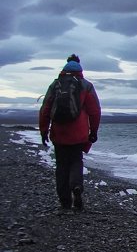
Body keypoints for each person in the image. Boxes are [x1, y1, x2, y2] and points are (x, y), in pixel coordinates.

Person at [39, 54, 102, 211]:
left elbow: (45, 109)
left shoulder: (55, 85)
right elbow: (95, 111)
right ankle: (76, 187)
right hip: (79, 133)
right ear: (80, 68)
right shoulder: (86, 86)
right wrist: (93, 131)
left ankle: (65, 202)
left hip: (59, 133)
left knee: (61, 165)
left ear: (65, 67)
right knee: (76, 161)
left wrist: (43, 130)